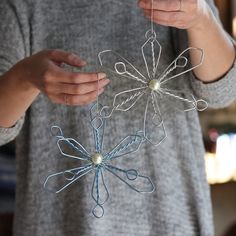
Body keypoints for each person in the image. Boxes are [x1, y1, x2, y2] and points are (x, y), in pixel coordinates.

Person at [0, 0, 235, 235]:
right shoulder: (21, 6)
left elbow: (222, 91)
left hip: (169, 215)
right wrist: (25, 77)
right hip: (63, 220)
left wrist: (201, 19)